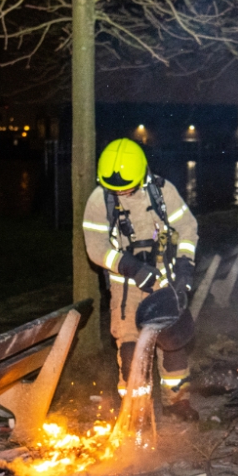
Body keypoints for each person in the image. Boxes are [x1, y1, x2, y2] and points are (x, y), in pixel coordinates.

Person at [83, 138, 200, 421]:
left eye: (127, 187)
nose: (121, 193)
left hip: (165, 282)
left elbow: (187, 227)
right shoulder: (100, 200)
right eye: (116, 189)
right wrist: (131, 267)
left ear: (142, 175)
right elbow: (97, 249)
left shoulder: (163, 192)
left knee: (174, 347)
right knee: (130, 350)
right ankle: (136, 412)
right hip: (126, 289)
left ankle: (178, 402)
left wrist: (185, 266)